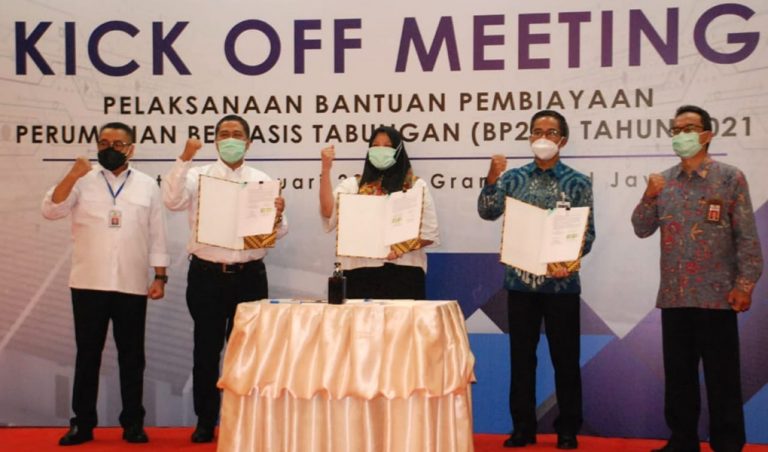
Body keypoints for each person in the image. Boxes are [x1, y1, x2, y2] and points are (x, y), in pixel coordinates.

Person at [632, 105, 763, 452]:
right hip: (675, 296)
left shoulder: (729, 178)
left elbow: (747, 236)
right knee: (679, 378)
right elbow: (641, 228)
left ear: (706, 134)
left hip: (718, 296)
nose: (681, 135)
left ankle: (728, 443)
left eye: (688, 128)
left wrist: (745, 284)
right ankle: (682, 440)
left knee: (722, 377)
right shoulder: (663, 181)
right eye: (675, 130)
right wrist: (648, 196)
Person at [41, 122, 169, 446]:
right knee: (88, 355)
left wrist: (160, 276)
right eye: (103, 142)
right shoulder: (82, 180)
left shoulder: (146, 185)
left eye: (117, 143)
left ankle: (133, 423)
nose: (109, 148)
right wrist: (72, 174)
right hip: (89, 282)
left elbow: (157, 233)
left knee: (132, 357)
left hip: (131, 282)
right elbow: (51, 209)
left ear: (131, 149)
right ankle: (82, 424)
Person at [163, 114, 287, 443]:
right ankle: (206, 421)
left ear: (248, 142)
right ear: (216, 141)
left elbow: (279, 231)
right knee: (206, 351)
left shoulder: (261, 180)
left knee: (247, 353)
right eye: (223, 134)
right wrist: (185, 157)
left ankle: (243, 421)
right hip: (207, 276)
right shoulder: (198, 176)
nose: (230, 139)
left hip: (250, 277)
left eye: (237, 134)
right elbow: (172, 200)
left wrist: (276, 215)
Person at [477, 110, 595, 450]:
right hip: (520, 285)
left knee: (566, 360)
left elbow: (586, 234)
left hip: (561, 286)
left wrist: (566, 261)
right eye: (536, 131)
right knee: (521, 359)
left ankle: (568, 429)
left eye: (550, 132)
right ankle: (522, 428)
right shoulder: (513, 178)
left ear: (563, 140)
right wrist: (491, 179)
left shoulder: (578, 182)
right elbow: (487, 211)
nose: (542, 137)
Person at [319, 126, 439, 299]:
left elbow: (429, 233)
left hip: (404, 273)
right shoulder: (353, 185)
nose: (381, 150)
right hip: (359, 273)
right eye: (375, 145)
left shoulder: (415, 186)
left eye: (387, 146)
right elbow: (327, 212)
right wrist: (325, 170)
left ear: (398, 150)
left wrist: (402, 247)